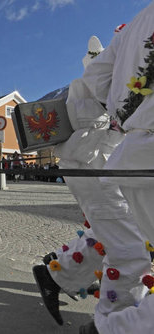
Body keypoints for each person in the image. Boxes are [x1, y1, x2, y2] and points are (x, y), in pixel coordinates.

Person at [32, 31, 151, 334]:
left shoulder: (111, 86)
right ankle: (110, 323)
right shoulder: (90, 89)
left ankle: (56, 276)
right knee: (130, 248)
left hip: (106, 169)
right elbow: (94, 135)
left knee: (109, 233)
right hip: (96, 170)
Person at [74, 2, 154, 333]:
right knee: (126, 247)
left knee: (123, 244)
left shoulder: (136, 23)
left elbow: (97, 76)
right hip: (123, 157)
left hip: (134, 151)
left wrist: (123, 115)